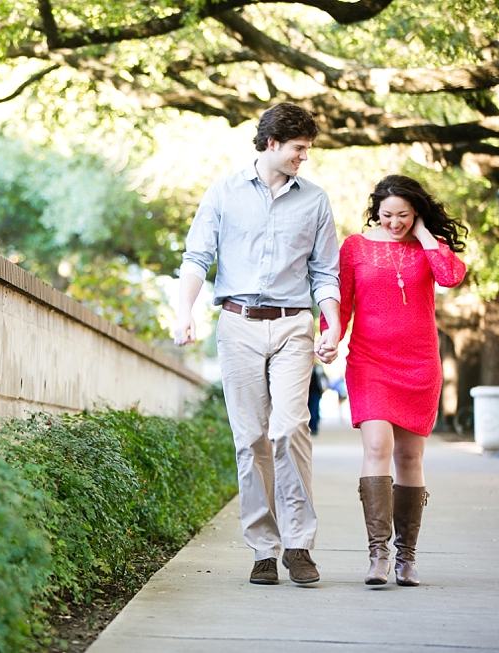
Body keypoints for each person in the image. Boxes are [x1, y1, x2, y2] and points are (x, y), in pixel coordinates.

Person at [174, 103, 341, 586]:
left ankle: (299, 544)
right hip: (238, 323)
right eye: (298, 149)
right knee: (250, 440)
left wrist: (332, 325)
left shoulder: (315, 200)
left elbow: (325, 273)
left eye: (306, 150)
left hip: (293, 325)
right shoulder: (223, 193)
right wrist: (184, 312)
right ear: (272, 144)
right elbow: (196, 257)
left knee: (290, 429)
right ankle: (264, 549)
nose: (303, 158)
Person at [327, 175, 467, 586]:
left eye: (404, 215)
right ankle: (378, 555)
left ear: (416, 212)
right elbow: (344, 300)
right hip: (370, 361)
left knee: (409, 458)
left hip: (419, 364)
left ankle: (407, 557)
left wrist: (424, 234)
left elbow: (451, 276)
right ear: (376, 211)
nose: (394, 222)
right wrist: (331, 333)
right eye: (387, 214)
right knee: (377, 445)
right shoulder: (355, 247)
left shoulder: (427, 247)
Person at [308, 363, 329, 435]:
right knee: (308, 410)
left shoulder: (319, 368)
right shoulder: (305, 365)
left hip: (316, 392)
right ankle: (309, 426)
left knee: (314, 409)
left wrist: (324, 389)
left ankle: (314, 428)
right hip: (306, 392)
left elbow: (324, 379)